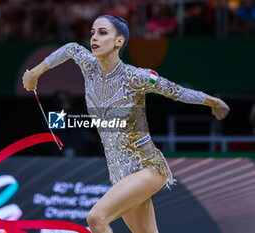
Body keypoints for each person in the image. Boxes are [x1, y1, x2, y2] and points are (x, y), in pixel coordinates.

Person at [22, 15, 230, 233]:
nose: (94, 37)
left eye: (102, 33)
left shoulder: (135, 77)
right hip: (118, 174)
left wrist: (212, 102)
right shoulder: (88, 67)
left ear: (118, 41)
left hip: (147, 167)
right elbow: (70, 49)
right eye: (93, 32)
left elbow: (176, 91)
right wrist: (35, 73)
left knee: (96, 219)